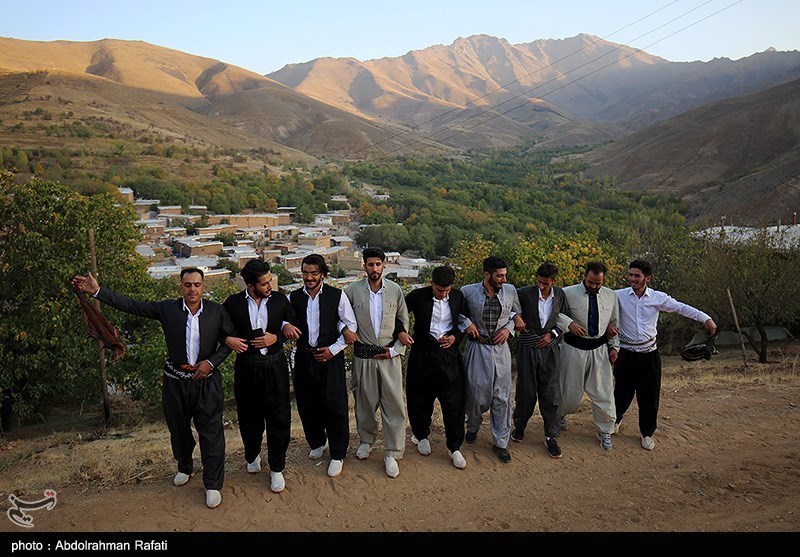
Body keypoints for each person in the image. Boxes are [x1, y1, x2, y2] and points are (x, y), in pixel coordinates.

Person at [72, 269, 235, 509]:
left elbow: (230, 341)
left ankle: (212, 484)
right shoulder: (167, 309)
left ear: (203, 286)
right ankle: (185, 466)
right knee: (179, 430)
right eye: (188, 284)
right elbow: (132, 306)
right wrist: (97, 291)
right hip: (175, 382)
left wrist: (211, 362)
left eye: (197, 285)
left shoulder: (217, 311)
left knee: (211, 434)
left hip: (206, 383)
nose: (192, 289)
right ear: (180, 286)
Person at [614, 259, 717, 450]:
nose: (632, 279)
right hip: (626, 354)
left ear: (647, 278)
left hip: (649, 355)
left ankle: (646, 433)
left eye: (637, 275)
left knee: (649, 396)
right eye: (630, 275)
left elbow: (681, 308)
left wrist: (705, 318)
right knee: (622, 392)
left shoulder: (657, 298)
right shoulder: (618, 296)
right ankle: (615, 421)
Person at [222, 260, 300, 494]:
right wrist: (227, 339)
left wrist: (277, 336)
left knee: (279, 418)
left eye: (270, 281)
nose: (269, 286)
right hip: (246, 368)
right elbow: (221, 330)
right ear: (250, 285)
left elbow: (294, 325)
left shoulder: (279, 300)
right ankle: (252, 454)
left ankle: (277, 468)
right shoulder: (232, 304)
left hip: (274, 367)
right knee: (249, 416)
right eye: (264, 283)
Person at [285, 254, 357, 478]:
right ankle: (317, 442)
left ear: (323, 274)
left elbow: (350, 325)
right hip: (305, 357)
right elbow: (283, 319)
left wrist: (332, 350)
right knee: (307, 404)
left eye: (314, 273)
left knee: (334, 405)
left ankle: (337, 453)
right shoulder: (293, 297)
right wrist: (286, 325)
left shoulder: (337, 295)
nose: (309, 277)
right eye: (305, 273)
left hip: (330, 357)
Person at [344, 248, 410, 478]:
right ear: (364, 266)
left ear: (384, 266)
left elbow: (403, 321)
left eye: (378, 264)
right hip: (363, 356)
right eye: (370, 264)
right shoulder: (351, 291)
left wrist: (397, 349)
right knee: (364, 402)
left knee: (393, 405)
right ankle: (366, 440)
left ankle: (392, 451)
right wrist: (345, 331)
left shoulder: (394, 290)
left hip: (389, 355)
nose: (374, 269)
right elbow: (342, 318)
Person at [403, 266, 468, 470]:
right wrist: (401, 333)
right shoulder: (417, 296)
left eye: (447, 289)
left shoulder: (458, 297)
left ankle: (454, 446)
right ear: (431, 283)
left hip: (449, 355)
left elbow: (464, 323)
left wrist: (455, 338)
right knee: (420, 398)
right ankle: (421, 436)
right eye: (440, 290)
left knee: (454, 402)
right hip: (423, 353)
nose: (444, 294)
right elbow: (398, 315)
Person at [460, 256, 523, 463]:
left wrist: (509, 329)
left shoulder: (510, 290)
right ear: (487, 275)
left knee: (502, 397)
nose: (504, 279)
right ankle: (473, 426)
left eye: (505, 275)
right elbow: (457, 313)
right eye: (499, 275)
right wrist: (467, 323)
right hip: (477, 349)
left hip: (501, 350)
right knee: (476, 394)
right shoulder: (467, 291)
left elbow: (516, 312)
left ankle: (501, 442)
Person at [556, 261, 620, 451]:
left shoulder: (611, 296)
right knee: (569, 393)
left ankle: (605, 430)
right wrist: (569, 324)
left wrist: (614, 348)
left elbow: (614, 324)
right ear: (584, 277)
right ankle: (558, 416)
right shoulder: (567, 293)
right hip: (573, 348)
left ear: (603, 281)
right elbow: (555, 313)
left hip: (599, 349)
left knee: (604, 392)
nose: (593, 286)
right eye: (590, 282)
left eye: (597, 283)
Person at [511, 262, 566, 459]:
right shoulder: (524, 293)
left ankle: (551, 435)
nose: (541, 286)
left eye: (545, 283)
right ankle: (519, 426)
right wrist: (516, 316)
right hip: (527, 347)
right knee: (525, 390)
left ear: (553, 281)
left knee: (551, 391)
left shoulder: (559, 294)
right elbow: (510, 308)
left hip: (550, 349)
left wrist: (552, 334)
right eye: (539, 282)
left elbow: (564, 320)